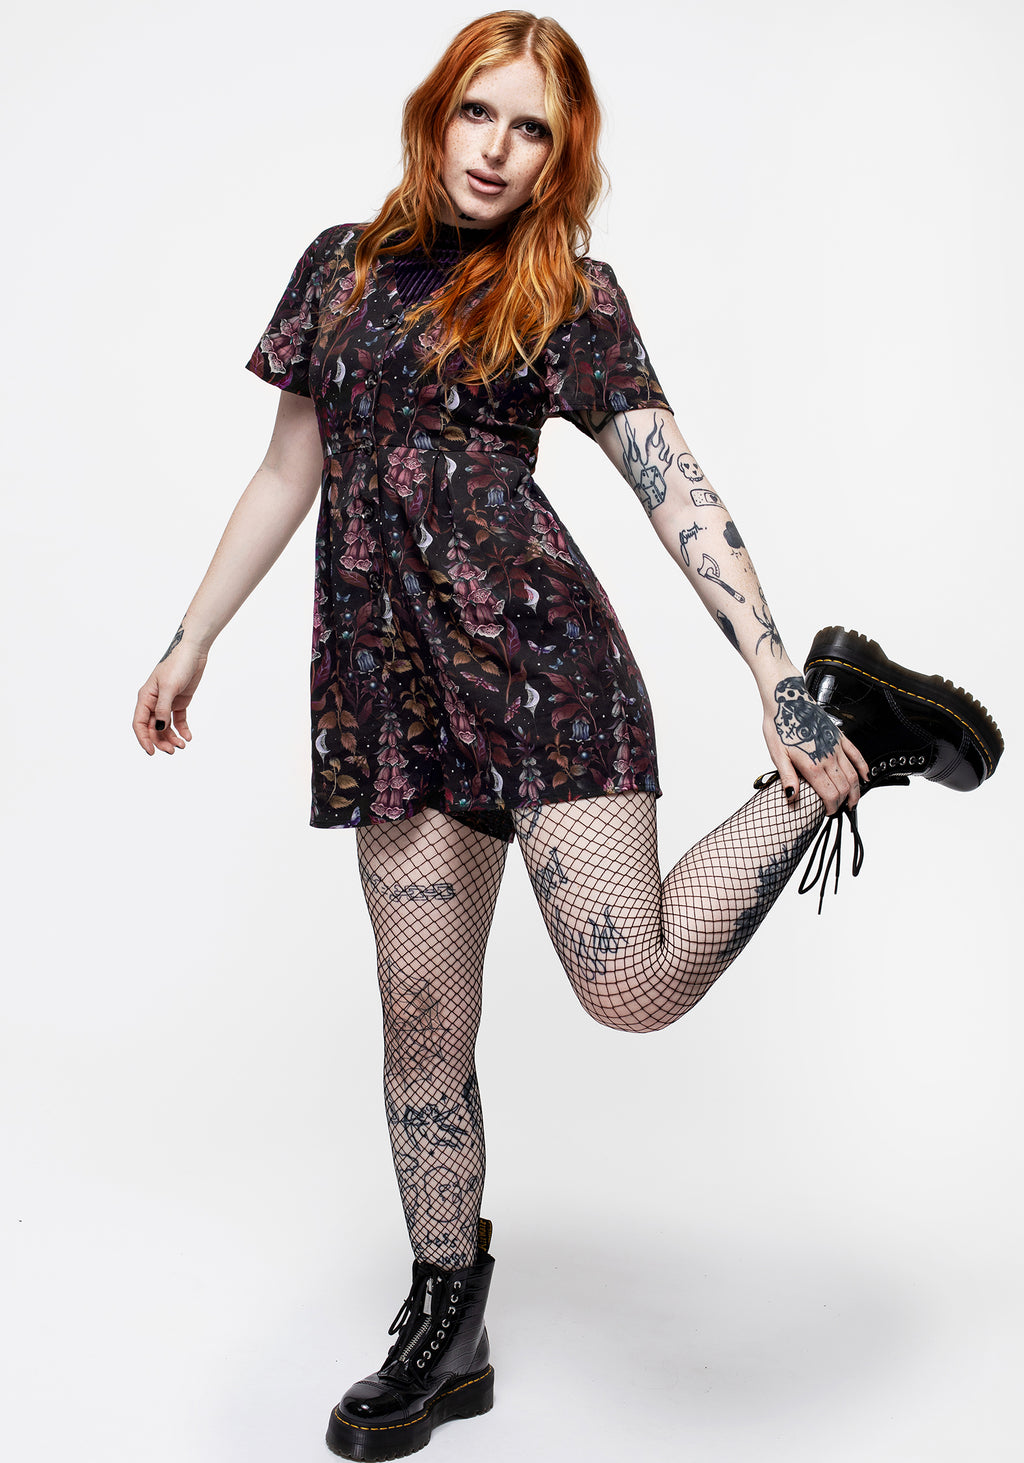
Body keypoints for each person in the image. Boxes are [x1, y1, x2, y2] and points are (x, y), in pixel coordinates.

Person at [131, 10, 1003, 1459]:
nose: (498, 149)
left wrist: (773, 670)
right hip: (389, 692)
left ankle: (855, 725)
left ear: (561, 157)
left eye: (532, 129)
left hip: (543, 674)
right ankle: (448, 1315)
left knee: (629, 984)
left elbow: (672, 479)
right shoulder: (338, 269)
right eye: (480, 113)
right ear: (436, 114)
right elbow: (289, 470)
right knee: (422, 1019)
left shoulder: (566, 293)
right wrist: (192, 637)